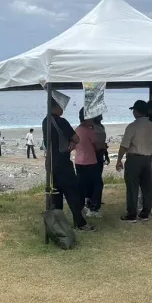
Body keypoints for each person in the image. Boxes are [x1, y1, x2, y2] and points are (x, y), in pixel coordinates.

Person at [43, 98, 94, 231]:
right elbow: (76, 138)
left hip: (50, 162)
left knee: (56, 193)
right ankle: (80, 223)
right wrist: (71, 144)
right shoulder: (61, 121)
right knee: (73, 192)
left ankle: (58, 223)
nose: (63, 109)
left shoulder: (45, 121)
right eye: (61, 107)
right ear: (56, 107)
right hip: (63, 162)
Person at [116, 100, 152, 223]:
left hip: (134, 158)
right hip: (147, 158)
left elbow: (124, 145)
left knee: (132, 187)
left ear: (137, 111)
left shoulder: (132, 126)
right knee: (146, 187)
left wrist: (119, 160)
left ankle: (132, 214)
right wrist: (149, 157)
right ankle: (145, 213)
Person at [75, 109, 102, 218]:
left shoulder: (76, 130)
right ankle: (93, 208)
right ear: (86, 118)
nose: (93, 120)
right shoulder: (89, 131)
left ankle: (80, 207)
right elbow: (97, 146)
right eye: (91, 117)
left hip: (78, 161)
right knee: (97, 185)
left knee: (82, 185)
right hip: (90, 161)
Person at [91, 115, 108, 215]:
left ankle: (96, 199)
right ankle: (94, 203)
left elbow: (103, 142)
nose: (102, 116)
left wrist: (106, 154)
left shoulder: (101, 127)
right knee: (96, 181)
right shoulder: (92, 127)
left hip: (100, 155)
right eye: (100, 115)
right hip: (93, 155)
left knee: (98, 178)